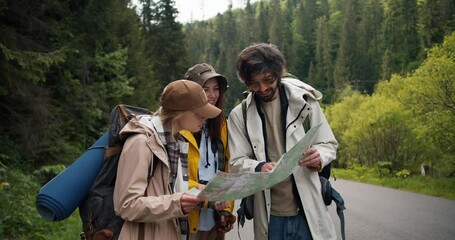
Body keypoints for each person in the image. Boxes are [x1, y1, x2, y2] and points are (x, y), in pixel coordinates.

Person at [227, 43, 339, 240]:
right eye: (254, 83)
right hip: (271, 219)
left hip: (307, 212)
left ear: (278, 73)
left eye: (268, 80)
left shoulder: (306, 102)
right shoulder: (239, 115)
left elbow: (328, 144)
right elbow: (236, 163)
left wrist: (319, 156)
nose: (262, 88)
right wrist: (259, 167)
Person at [113, 80, 221, 240]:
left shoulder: (175, 142)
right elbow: (126, 206)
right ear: (181, 113)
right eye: (199, 112)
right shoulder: (141, 143)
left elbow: (166, 191)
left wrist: (196, 192)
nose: (204, 117)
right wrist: (177, 203)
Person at [181, 63, 236, 240]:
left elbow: (227, 169)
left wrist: (226, 209)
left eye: (216, 89)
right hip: (186, 218)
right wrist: (207, 197)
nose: (212, 95)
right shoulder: (179, 126)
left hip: (214, 219)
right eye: (205, 89)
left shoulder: (220, 124)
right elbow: (171, 178)